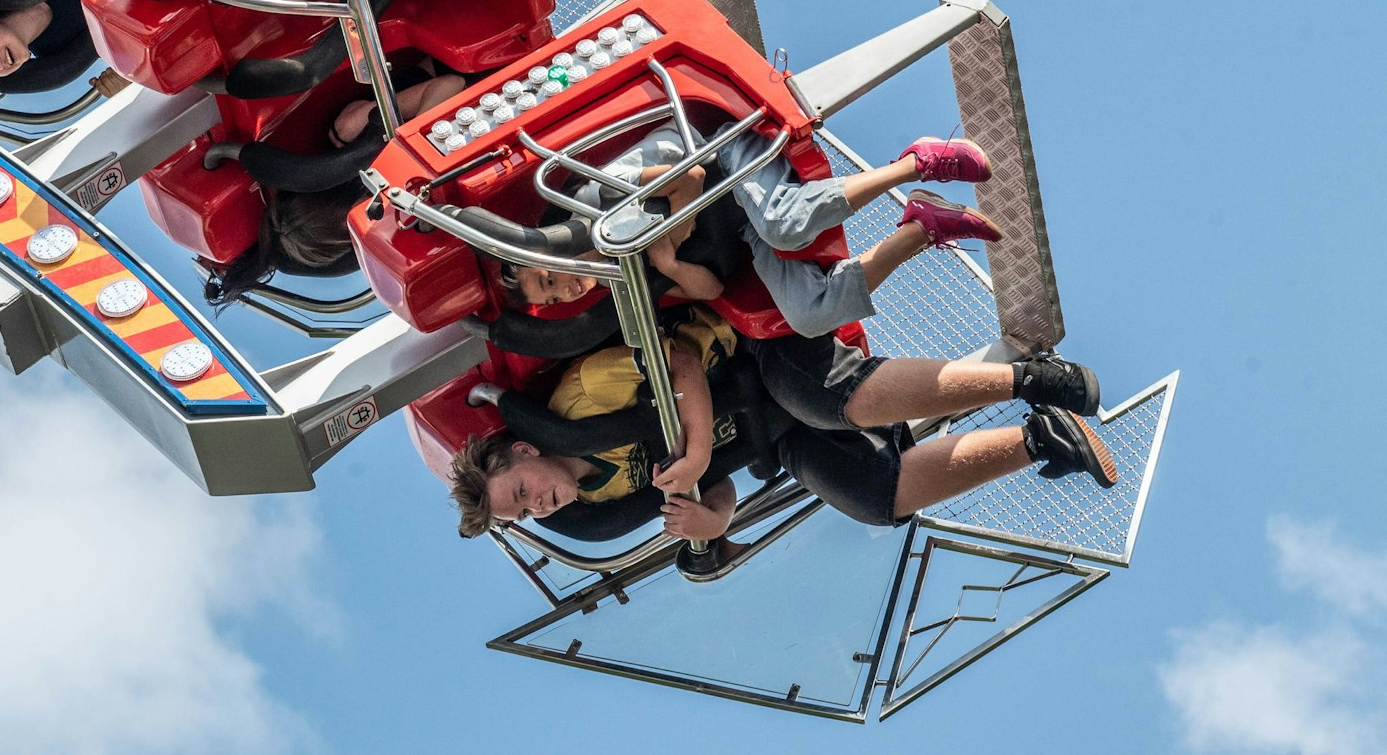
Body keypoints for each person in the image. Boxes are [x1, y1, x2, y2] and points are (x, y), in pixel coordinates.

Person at [449, 303, 1116, 543]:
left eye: (520, 493)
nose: (537, 505)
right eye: (525, 515)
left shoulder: (581, 398)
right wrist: (714, 520)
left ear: (524, 449)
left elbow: (678, 360)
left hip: (748, 352)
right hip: (767, 433)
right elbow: (718, 486)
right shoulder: (596, 498)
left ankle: (1034, 378)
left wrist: (700, 441)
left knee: (834, 398)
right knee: (875, 499)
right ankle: (1043, 438)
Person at [500, 134, 1000, 338]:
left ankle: (919, 162)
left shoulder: (589, 204)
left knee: (783, 221)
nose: (562, 291)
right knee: (809, 316)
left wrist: (679, 218)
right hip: (741, 226)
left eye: (547, 278)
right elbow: (711, 290)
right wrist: (670, 267)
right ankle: (921, 226)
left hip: (725, 156)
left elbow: (687, 177)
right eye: (551, 296)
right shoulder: (617, 279)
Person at [206, 71, 465, 306]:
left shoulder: (350, 130)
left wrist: (410, 158)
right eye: (355, 230)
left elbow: (450, 84)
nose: (369, 215)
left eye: (350, 219)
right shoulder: (404, 216)